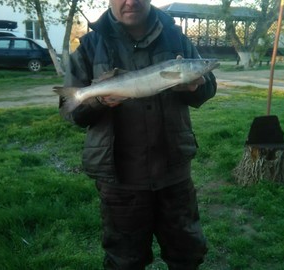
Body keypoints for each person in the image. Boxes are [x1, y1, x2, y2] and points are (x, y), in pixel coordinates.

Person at [60, 0, 217, 269]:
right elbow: (71, 111)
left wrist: (194, 86)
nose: (130, 1)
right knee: (124, 261)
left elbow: (208, 86)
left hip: (173, 174)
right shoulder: (89, 45)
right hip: (119, 180)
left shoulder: (176, 38)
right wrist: (99, 100)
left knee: (187, 255)